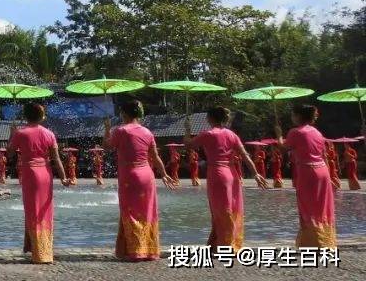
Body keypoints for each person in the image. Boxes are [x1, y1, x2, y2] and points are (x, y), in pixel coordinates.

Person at [184, 107, 267, 251]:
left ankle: (224, 244)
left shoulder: (208, 134)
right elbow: (245, 155)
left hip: (217, 173)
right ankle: (224, 242)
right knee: (231, 207)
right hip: (232, 174)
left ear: (210, 118)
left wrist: (187, 129)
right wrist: (255, 174)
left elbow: (188, 144)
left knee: (220, 209)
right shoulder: (232, 135)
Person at [103, 100, 176, 261]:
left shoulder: (121, 130)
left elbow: (107, 146)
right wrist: (164, 174)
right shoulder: (147, 132)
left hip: (129, 175)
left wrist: (107, 129)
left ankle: (135, 250)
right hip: (147, 175)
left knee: (130, 212)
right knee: (147, 212)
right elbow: (155, 157)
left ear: (124, 114)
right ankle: (149, 250)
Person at [7, 102, 69, 264]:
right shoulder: (49, 134)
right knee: (44, 210)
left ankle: (38, 252)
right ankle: (43, 249)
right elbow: (56, 158)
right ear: (41, 116)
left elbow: (10, 153)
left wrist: (12, 135)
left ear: (26, 116)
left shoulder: (21, 134)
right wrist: (63, 177)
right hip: (45, 174)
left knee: (32, 210)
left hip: (30, 174)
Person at [275, 105, 337, 248]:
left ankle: (312, 243)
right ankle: (325, 242)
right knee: (322, 207)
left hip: (307, 171)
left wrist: (278, 134)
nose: (292, 118)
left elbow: (283, 148)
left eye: (293, 115)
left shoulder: (295, 132)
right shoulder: (317, 133)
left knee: (307, 207)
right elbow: (324, 156)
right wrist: (330, 177)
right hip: (323, 171)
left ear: (298, 116)